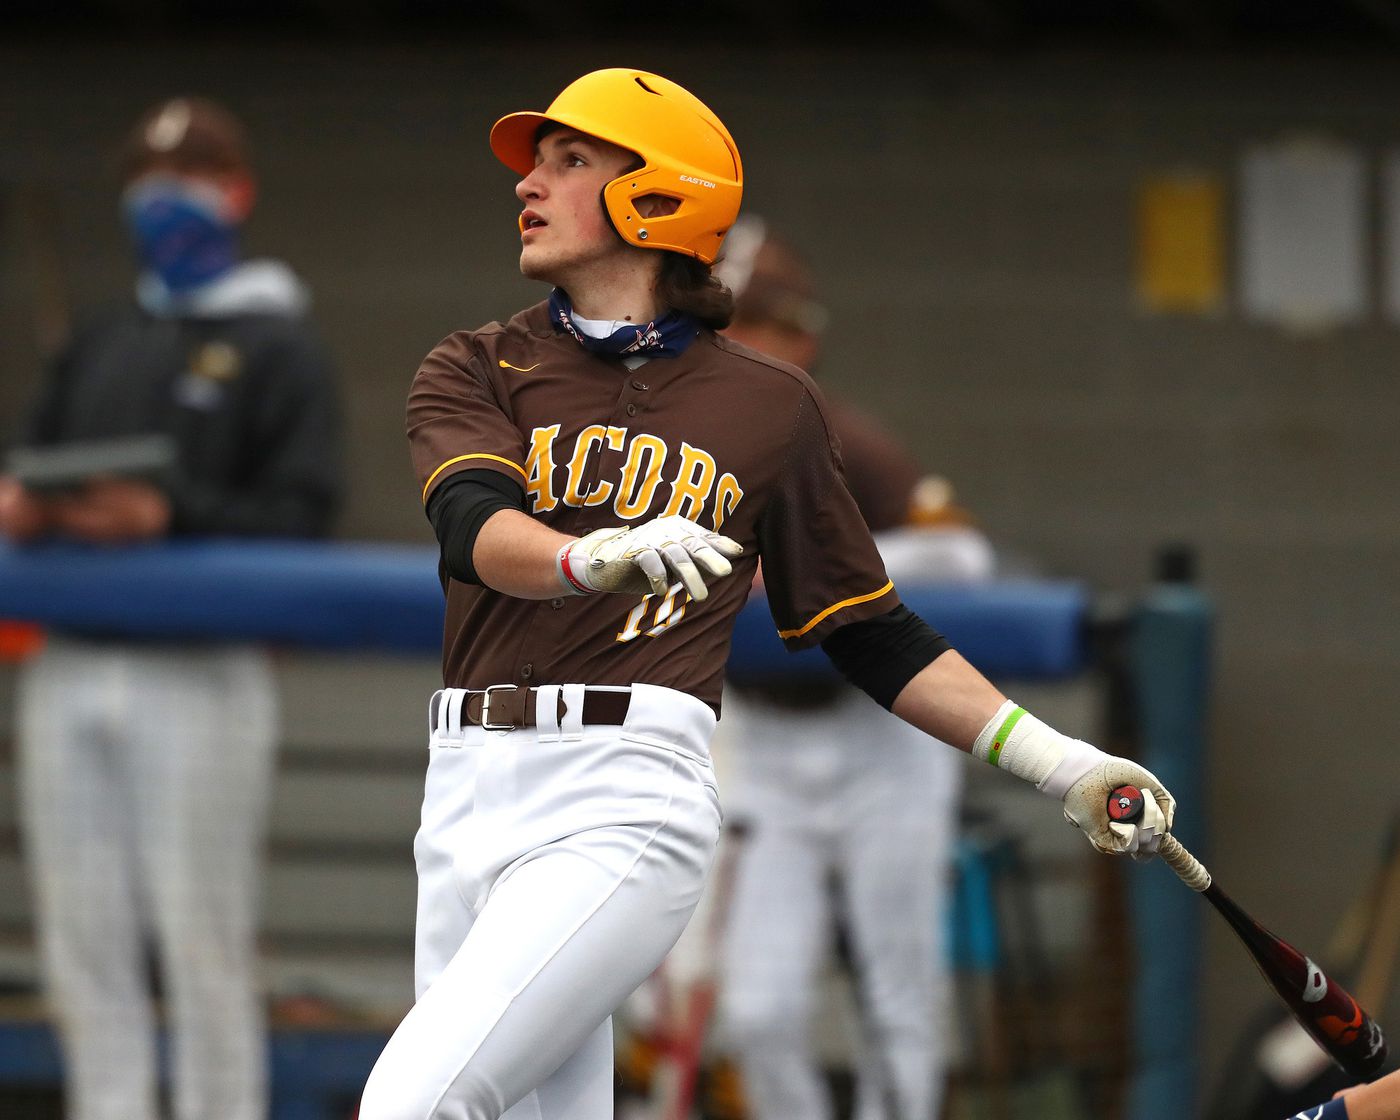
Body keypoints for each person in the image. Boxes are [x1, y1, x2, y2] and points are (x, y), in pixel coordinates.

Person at [359, 67, 1176, 1120]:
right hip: (466, 784)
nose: (529, 182)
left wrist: (1058, 761)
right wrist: (586, 555)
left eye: (570, 161)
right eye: (536, 161)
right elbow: (474, 529)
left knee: (411, 1105)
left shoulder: (770, 404)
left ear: (657, 196)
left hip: (621, 792)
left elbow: (869, 630)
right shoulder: (475, 361)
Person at [0, 97, 343, 1120]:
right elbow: (34, 459)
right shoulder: (103, 338)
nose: (163, 201)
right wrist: (30, 500)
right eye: (146, 182)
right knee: (83, 938)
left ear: (234, 192)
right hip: (71, 663)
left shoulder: (280, 345)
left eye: (187, 178)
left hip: (198, 667)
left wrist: (167, 512)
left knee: (200, 936)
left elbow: (302, 513)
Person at [712, 217, 992, 1120]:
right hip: (763, 741)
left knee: (897, 994)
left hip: (882, 733)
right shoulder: (682, 440)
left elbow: (966, 561)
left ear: (795, 335)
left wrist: (819, 568)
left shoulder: (840, 435)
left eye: (742, 324)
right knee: (756, 1010)